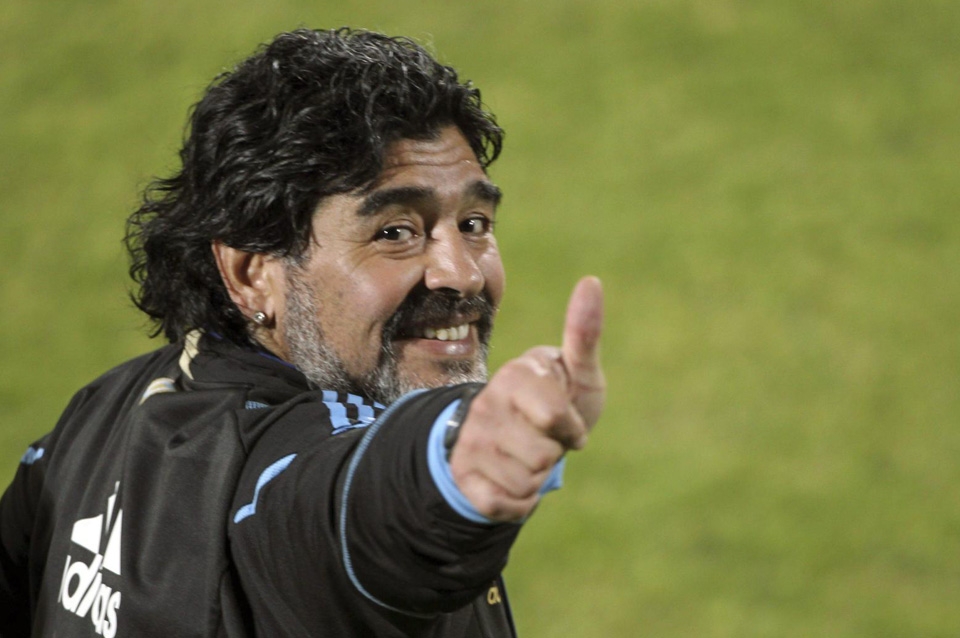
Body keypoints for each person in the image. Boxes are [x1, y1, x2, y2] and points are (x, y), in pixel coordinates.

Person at [0, 27, 605, 637]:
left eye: (473, 223)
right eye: (395, 233)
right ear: (251, 274)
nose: (464, 274)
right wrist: (451, 466)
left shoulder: (96, 417)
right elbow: (349, 509)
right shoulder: (286, 475)